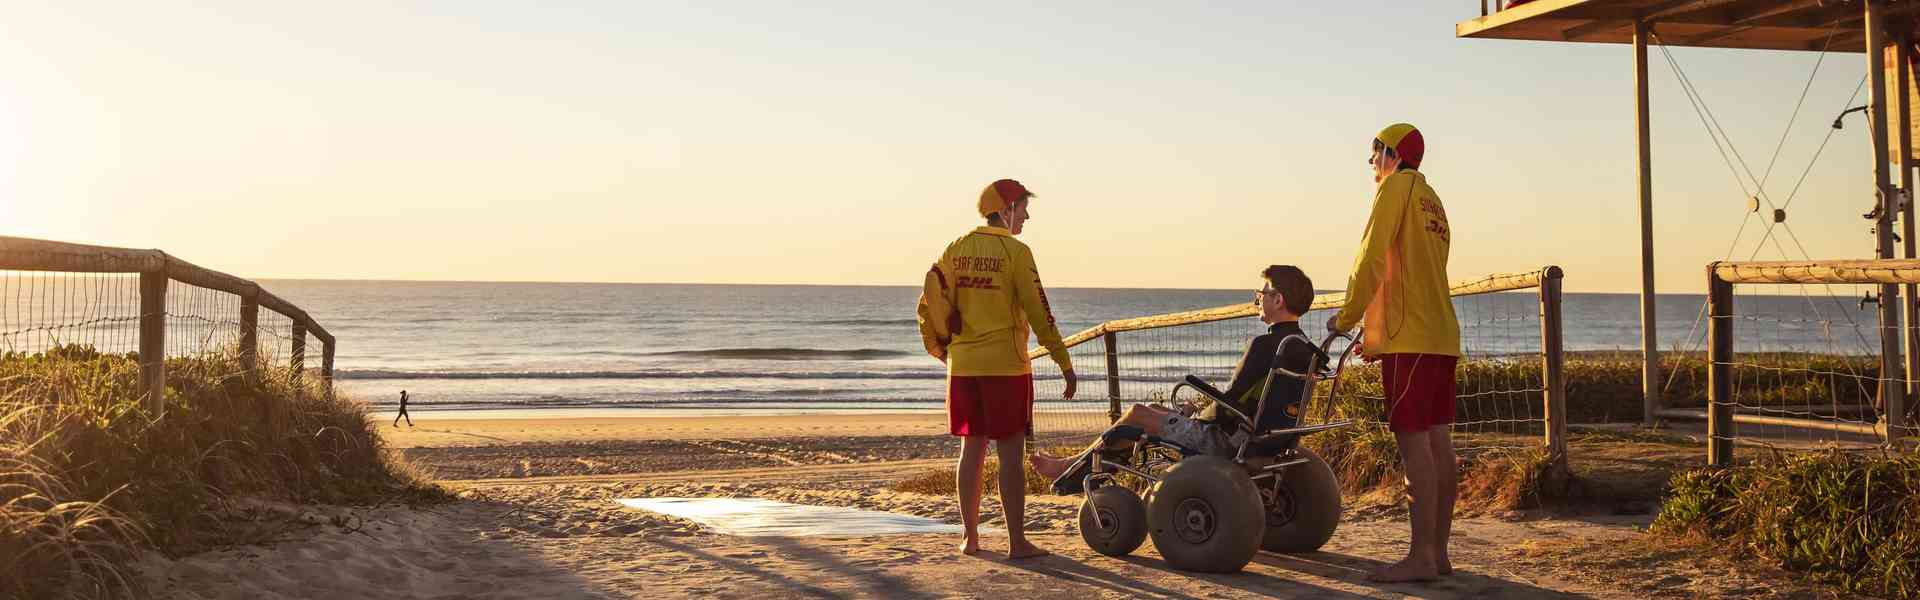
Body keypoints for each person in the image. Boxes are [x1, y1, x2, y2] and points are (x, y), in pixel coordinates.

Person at [1030, 265, 1318, 483]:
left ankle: (1070, 469)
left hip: (1230, 441)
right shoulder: (1305, 349)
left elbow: (1230, 401)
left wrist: (1196, 415)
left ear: (1278, 299)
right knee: (1155, 410)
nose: (1258, 299)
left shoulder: (1264, 345)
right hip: (1274, 439)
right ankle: (1073, 461)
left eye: (1262, 293)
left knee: (1137, 413)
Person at [1326, 123, 1462, 582]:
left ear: (1391, 154)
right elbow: (1414, 274)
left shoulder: (1394, 189)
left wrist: (1347, 317)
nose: (1371, 164)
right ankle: (1438, 554)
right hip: (1441, 335)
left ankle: (1421, 556)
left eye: (1374, 154)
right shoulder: (1432, 200)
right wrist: (1376, 333)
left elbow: (1373, 258)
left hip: (1414, 340)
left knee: (1413, 445)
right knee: (1439, 444)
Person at [916, 178, 1076, 559]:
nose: (1026, 215)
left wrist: (943, 349)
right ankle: (1017, 542)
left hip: (964, 366)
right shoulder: (1016, 252)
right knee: (1010, 453)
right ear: (1005, 210)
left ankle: (970, 538)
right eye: (1022, 208)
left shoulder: (955, 249)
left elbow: (930, 302)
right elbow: (1040, 311)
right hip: (1006, 367)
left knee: (970, 450)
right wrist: (1063, 361)